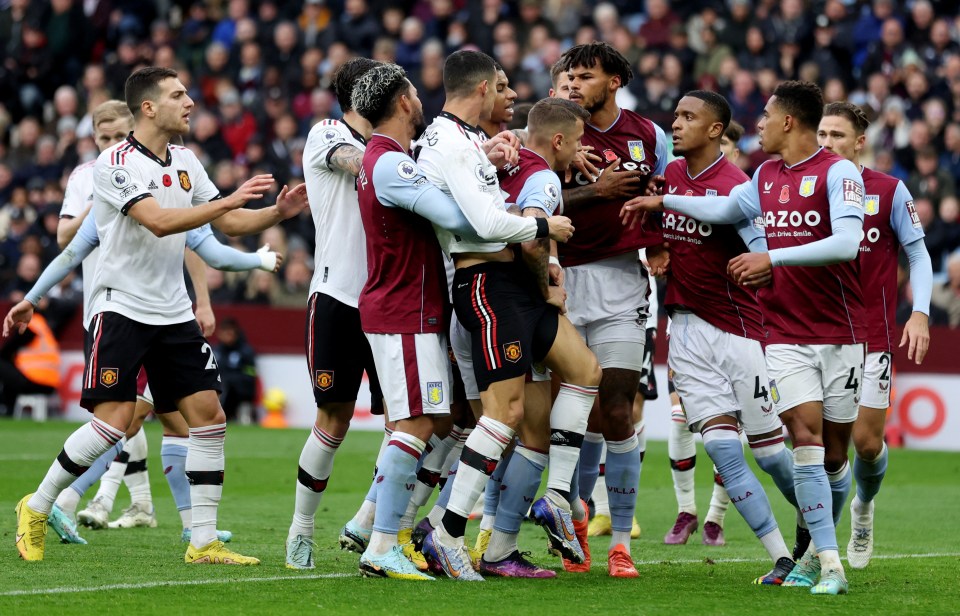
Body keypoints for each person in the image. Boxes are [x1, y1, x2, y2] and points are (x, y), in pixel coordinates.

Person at [11, 66, 302, 565]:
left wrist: (276, 213)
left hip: (172, 313)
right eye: (178, 95)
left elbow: (226, 224)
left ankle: (203, 541)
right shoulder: (114, 163)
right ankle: (36, 506)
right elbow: (160, 221)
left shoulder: (187, 160)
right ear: (149, 107)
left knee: (208, 418)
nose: (190, 102)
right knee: (115, 422)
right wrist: (228, 201)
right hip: (120, 308)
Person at [622, 81, 867, 595]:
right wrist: (662, 201)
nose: (756, 124)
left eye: (765, 115)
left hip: (806, 330)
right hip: (753, 333)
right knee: (771, 444)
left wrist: (769, 260)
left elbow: (846, 242)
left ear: (788, 123)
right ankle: (803, 559)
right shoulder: (762, 177)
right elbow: (722, 209)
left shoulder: (838, 172)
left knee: (821, 456)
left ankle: (827, 530)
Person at [410, 50, 590, 582]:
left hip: (514, 285)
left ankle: (555, 496)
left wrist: (491, 155)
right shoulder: (447, 142)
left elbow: (485, 201)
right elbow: (487, 221)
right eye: (504, 85)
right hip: (487, 285)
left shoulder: (467, 143)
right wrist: (544, 230)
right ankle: (445, 529)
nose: (510, 93)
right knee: (502, 416)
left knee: (584, 371)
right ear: (484, 86)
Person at [658, 90, 798, 584]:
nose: (676, 124)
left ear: (715, 130)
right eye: (675, 115)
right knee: (721, 450)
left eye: (688, 117)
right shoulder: (670, 176)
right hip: (685, 336)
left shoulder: (737, 186)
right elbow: (654, 225)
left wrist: (764, 270)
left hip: (737, 336)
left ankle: (812, 528)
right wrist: (655, 250)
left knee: (769, 455)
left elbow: (764, 256)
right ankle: (782, 557)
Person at [350, 61, 483, 580]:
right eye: (414, 91)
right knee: (415, 424)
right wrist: (481, 186)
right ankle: (380, 543)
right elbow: (452, 216)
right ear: (404, 101)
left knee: (432, 421)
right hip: (403, 308)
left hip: (413, 308)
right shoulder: (387, 161)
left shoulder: (392, 158)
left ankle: (378, 529)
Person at [475, 97, 599, 578]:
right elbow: (530, 237)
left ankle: (497, 547)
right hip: (510, 300)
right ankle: (552, 498)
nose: (581, 150)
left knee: (531, 431)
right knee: (581, 375)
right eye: (579, 140)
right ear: (560, 140)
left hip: (476, 294)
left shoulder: (504, 163)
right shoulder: (544, 177)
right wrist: (544, 284)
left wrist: (548, 266)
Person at [559, 41, 668, 577]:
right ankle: (575, 524)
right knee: (568, 416)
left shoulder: (648, 135)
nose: (575, 84)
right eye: (569, 76)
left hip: (624, 281)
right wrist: (597, 191)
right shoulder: (555, 131)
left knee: (617, 411)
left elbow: (669, 191)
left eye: (585, 76)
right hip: (560, 283)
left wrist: (663, 239)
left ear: (613, 82)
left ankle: (620, 540)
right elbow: (530, 202)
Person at [817, 101, 932, 570]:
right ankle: (820, 547)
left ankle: (863, 508)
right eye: (821, 134)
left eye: (837, 136)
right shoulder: (804, 189)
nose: (827, 144)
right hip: (816, 331)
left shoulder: (888, 190)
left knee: (866, 444)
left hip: (872, 335)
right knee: (826, 449)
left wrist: (920, 313)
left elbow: (918, 255)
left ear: (859, 142)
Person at [283, 57, 387, 571]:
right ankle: (301, 531)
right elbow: (357, 162)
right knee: (335, 418)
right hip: (337, 298)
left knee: (410, 422)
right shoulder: (327, 133)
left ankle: (372, 520)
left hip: (391, 300)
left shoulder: (397, 145)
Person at [213, 318, 258, 422]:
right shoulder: (215, 351)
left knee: (228, 383)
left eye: (229, 332)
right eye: (223, 332)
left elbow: (251, 374)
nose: (226, 336)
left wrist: (233, 378)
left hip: (239, 392)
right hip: (218, 389)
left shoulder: (245, 351)